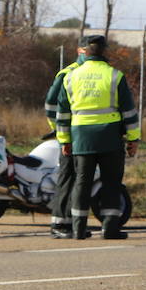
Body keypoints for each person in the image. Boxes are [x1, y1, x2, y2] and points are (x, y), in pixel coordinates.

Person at [55, 34, 139, 240]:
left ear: (85, 52)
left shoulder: (71, 76)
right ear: (105, 52)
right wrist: (133, 139)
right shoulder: (114, 76)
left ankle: (77, 229)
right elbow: (129, 111)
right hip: (110, 137)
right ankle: (110, 229)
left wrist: (64, 140)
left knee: (81, 183)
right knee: (111, 183)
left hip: (81, 138)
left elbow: (62, 113)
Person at [44, 45, 87, 239]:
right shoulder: (68, 73)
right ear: (79, 51)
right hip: (70, 136)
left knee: (78, 179)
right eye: (87, 50)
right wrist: (60, 131)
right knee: (68, 178)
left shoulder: (91, 73)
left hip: (83, 137)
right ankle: (59, 223)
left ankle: (70, 222)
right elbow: (51, 105)